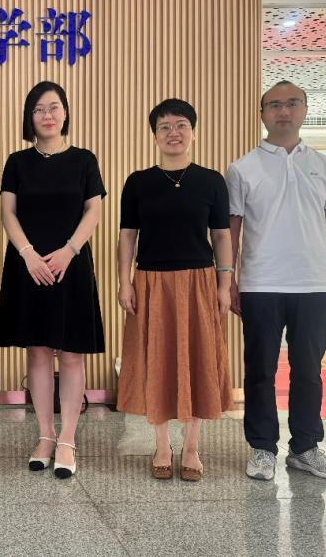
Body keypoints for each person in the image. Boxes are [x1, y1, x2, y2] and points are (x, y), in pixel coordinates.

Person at [227, 80, 326, 482]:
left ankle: (305, 447)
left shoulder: (324, 165)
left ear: (304, 110)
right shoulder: (242, 168)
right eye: (275, 105)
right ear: (263, 114)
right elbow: (231, 230)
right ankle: (262, 448)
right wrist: (229, 280)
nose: (284, 111)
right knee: (259, 370)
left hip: (313, 284)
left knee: (309, 370)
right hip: (260, 283)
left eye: (292, 103)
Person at [115, 98, 235, 482]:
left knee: (199, 359)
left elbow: (221, 236)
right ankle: (162, 445)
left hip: (199, 281)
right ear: (154, 136)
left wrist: (225, 283)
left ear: (193, 133)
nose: (173, 133)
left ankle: (193, 447)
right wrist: (124, 282)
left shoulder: (211, 181)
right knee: (157, 361)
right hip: (152, 282)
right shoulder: (138, 183)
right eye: (164, 126)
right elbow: (127, 236)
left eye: (181, 125)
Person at [0, 81, 105, 480]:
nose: (47, 115)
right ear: (30, 117)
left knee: (71, 354)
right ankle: (44, 436)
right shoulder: (17, 162)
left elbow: (93, 211)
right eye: (39, 109)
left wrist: (69, 250)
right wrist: (27, 254)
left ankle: (68, 440)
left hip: (70, 264)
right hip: (28, 266)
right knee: (38, 352)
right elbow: (8, 213)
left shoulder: (84, 160)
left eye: (54, 107)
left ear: (65, 113)